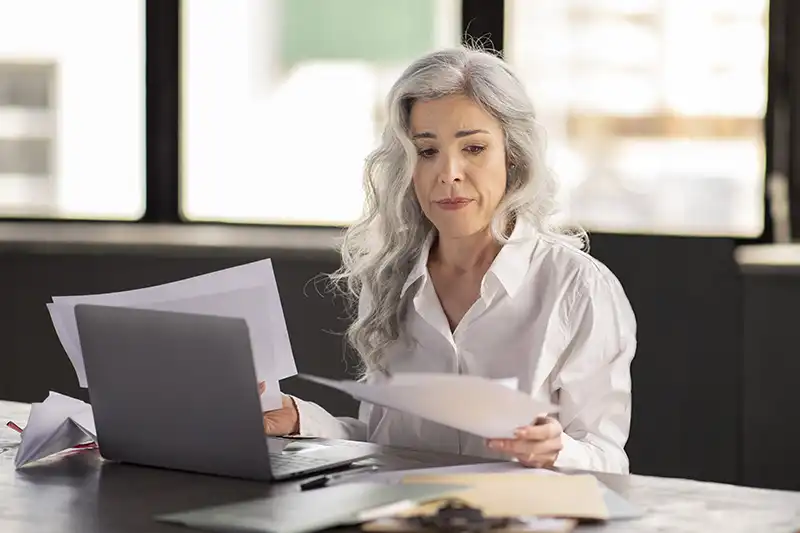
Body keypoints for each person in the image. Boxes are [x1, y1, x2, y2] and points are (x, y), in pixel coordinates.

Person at [262, 46, 637, 475]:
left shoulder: (576, 287)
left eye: (474, 148)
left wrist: (557, 450)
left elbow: (608, 462)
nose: (449, 173)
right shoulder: (390, 280)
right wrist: (301, 420)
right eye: (427, 151)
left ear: (512, 155)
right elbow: (388, 445)